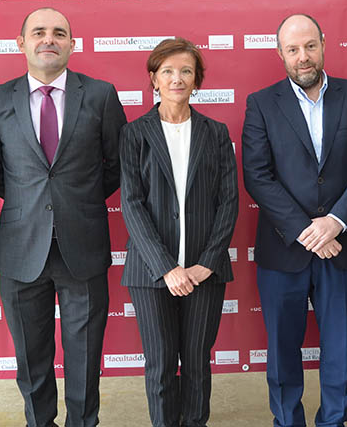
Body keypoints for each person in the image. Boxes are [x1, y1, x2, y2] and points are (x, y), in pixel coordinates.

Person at [0, 7, 127, 427]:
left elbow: (116, 166)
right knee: (31, 357)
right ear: (20, 43)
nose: (49, 39)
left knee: (84, 357)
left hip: (83, 246)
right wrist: (33, 202)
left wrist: (73, 201)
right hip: (22, 250)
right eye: (38, 32)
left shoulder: (100, 95)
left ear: (72, 44)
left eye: (59, 33)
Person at [242, 13, 347, 427]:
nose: (302, 57)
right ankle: (287, 421)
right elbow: (258, 175)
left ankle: (334, 421)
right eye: (292, 49)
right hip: (285, 248)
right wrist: (310, 231)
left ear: (323, 43)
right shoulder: (262, 103)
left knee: (340, 348)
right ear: (280, 54)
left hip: (342, 246)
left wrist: (335, 221)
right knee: (282, 350)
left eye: (309, 46)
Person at [119, 38, 239, 427]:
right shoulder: (134, 133)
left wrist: (206, 263)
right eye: (167, 71)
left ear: (197, 80)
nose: (177, 78)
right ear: (154, 78)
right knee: (159, 364)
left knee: (198, 364)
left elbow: (228, 202)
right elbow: (132, 204)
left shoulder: (216, 132)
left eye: (185, 71)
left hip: (206, 273)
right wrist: (166, 267)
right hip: (151, 275)